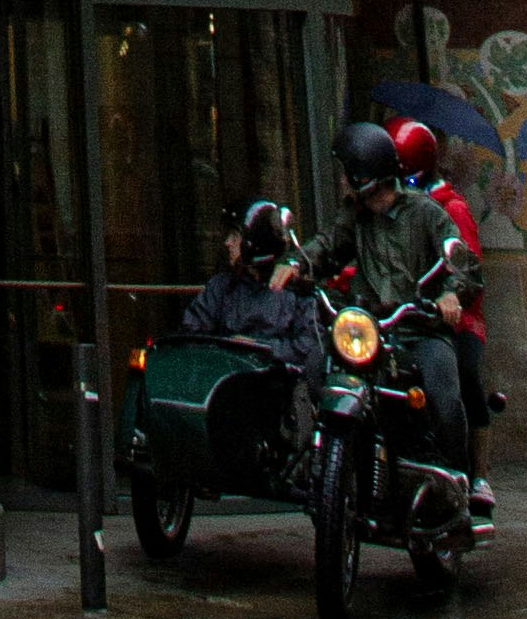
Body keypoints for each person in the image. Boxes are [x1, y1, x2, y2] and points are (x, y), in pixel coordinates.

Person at [309, 115, 485, 520]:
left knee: (443, 397)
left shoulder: (426, 214)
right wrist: (297, 264)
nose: (341, 182)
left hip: (419, 331)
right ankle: (331, 464)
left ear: (364, 176)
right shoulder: (355, 217)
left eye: (346, 174)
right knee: (318, 367)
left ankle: (456, 484)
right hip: (370, 333)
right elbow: (328, 247)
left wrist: (449, 293)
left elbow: (464, 263)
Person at [392, 115, 497, 523]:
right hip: (413, 316)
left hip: (456, 319)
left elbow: (468, 265)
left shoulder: (450, 208)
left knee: (464, 374)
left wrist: (452, 295)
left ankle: (478, 474)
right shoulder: (395, 212)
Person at [181, 192, 318, 371]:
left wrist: (258, 347)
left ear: (253, 242)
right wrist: (225, 350)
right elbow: (191, 336)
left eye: (234, 236)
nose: (227, 243)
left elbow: (309, 348)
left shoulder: (295, 290)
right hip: (227, 385)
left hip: (281, 389)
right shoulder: (220, 287)